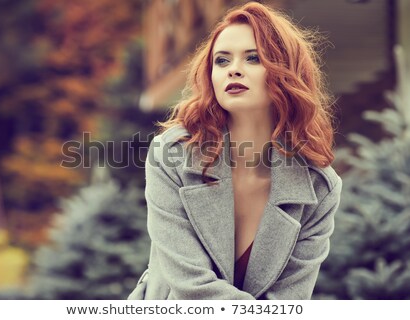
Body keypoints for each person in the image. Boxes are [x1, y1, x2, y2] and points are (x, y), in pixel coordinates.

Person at [128, 1, 342, 300]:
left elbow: (289, 302)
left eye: (253, 58)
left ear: (286, 72)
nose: (234, 71)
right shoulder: (171, 154)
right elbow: (192, 287)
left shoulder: (320, 187)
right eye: (222, 61)